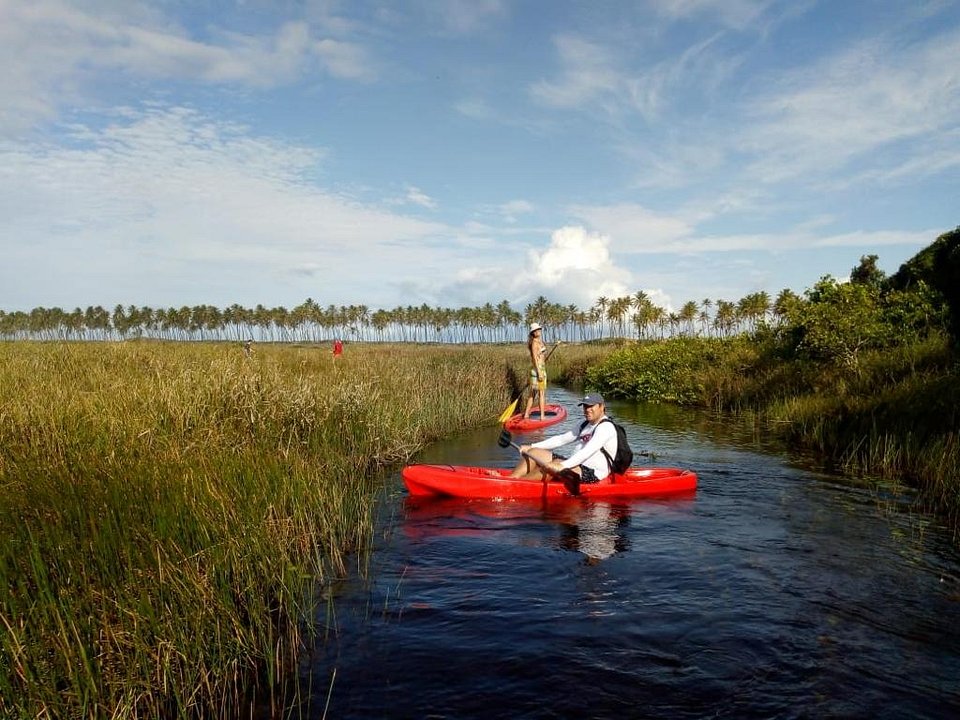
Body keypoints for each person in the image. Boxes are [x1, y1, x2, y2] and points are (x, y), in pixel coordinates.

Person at [509, 393, 618, 483]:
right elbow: (561, 439)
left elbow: (587, 452)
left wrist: (562, 465)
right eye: (585, 406)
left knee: (555, 464)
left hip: (593, 473)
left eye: (591, 406)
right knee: (533, 452)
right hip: (576, 465)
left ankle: (518, 484)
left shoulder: (606, 427)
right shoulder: (584, 424)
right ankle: (511, 479)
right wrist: (531, 446)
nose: (587, 409)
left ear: (602, 407)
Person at [523, 322, 548, 420]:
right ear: (533, 333)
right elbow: (534, 357)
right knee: (539, 393)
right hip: (537, 370)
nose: (538, 331)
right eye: (536, 330)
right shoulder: (534, 342)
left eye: (539, 329)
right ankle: (542, 416)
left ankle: (526, 414)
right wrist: (539, 372)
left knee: (534, 393)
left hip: (541, 368)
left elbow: (541, 355)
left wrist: (543, 357)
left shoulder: (540, 342)